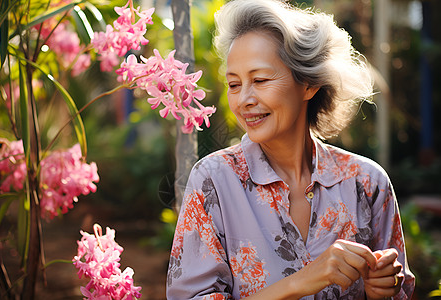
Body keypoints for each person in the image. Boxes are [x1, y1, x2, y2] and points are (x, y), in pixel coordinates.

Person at [166, 0, 415, 299]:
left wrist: (382, 291)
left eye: (259, 80)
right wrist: (301, 282)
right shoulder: (213, 181)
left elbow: (400, 289)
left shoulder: (368, 182)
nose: (243, 99)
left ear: (308, 84)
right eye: (234, 84)